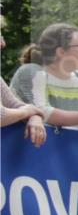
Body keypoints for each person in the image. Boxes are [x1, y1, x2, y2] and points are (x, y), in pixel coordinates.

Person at [1, 19, 46, 147]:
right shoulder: (31, 70)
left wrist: (35, 116)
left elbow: (15, 104)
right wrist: (27, 112)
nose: (3, 43)